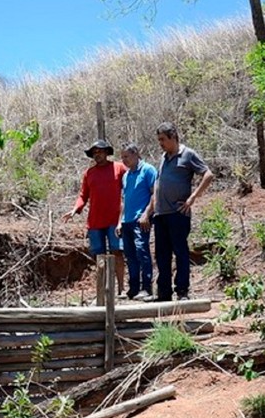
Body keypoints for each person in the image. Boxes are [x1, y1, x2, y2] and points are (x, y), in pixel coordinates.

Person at [139, 122, 213, 301]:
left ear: (173, 137)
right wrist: (149, 211)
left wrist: (192, 198)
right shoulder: (164, 158)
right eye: (159, 140)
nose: (160, 143)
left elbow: (208, 174)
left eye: (163, 139)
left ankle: (182, 291)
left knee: (180, 252)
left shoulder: (188, 154)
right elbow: (158, 185)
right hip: (161, 214)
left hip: (178, 213)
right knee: (162, 255)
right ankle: (164, 293)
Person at [63, 139, 127, 292]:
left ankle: (121, 289)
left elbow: (129, 188)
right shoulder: (89, 174)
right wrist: (74, 210)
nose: (97, 155)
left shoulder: (119, 168)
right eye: (94, 153)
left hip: (114, 220)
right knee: (99, 257)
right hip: (95, 222)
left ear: (107, 152)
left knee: (117, 252)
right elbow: (83, 196)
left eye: (100, 151)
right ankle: (102, 291)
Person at [117, 143, 157, 300]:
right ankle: (133, 288)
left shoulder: (148, 170)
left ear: (136, 154)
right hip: (127, 221)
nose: (124, 160)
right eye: (122, 157)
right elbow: (125, 200)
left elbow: (155, 193)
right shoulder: (126, 176)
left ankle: (147, 288)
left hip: (141, 220)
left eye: (126, 156)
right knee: (130, 255)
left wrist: (147, 214)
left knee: (142, 252)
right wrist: (120, 221)